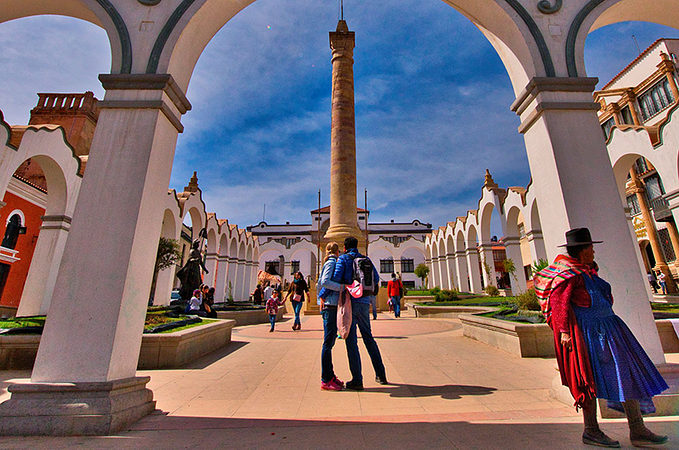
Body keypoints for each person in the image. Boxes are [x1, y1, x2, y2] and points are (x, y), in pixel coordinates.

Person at [535, 228, 668, 448]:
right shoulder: (569, 275)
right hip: (586, 333)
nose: (594, 251)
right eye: (590, 247)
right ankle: (591, 430)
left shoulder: (588, 271)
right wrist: (565, 332)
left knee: (625, 373)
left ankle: (637, 429)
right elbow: (560, 304)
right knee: (588, 379)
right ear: (581, 251)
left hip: (609, 329)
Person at [332, 236, 387, 390]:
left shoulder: (343, 259)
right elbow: (376, 278)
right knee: (368, 338)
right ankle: (381, 374)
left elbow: (336, 278)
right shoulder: (366, 259)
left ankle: (357, 379)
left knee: (351, 341)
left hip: (349, 302)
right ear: (358, 246)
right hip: (364, 303)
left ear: (344, 248)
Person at [317, 242, 345, 391]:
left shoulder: (329, 262)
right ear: (338, 252)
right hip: (330, 305)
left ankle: (330, 376)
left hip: (331, 304)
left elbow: (320, 284)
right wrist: (342, 287)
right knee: (328, 343)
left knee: (330, 342)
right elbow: (324, 282)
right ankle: (326, 379)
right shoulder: (332, 262)